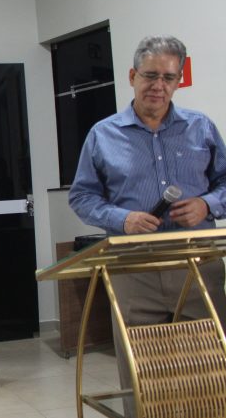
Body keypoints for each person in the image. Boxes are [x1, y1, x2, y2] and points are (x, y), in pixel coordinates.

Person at [69, 35, 226, 417]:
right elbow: (82, 197)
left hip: (197, 266)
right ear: (132, 76)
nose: (159, 86)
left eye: (168, 78)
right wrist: (122, 219)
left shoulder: (201, 128)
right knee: (142, 380)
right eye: (150, 75)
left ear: (179, 80)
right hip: (132, 270)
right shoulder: (102, 135)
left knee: (209, 375)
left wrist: (206, 204)